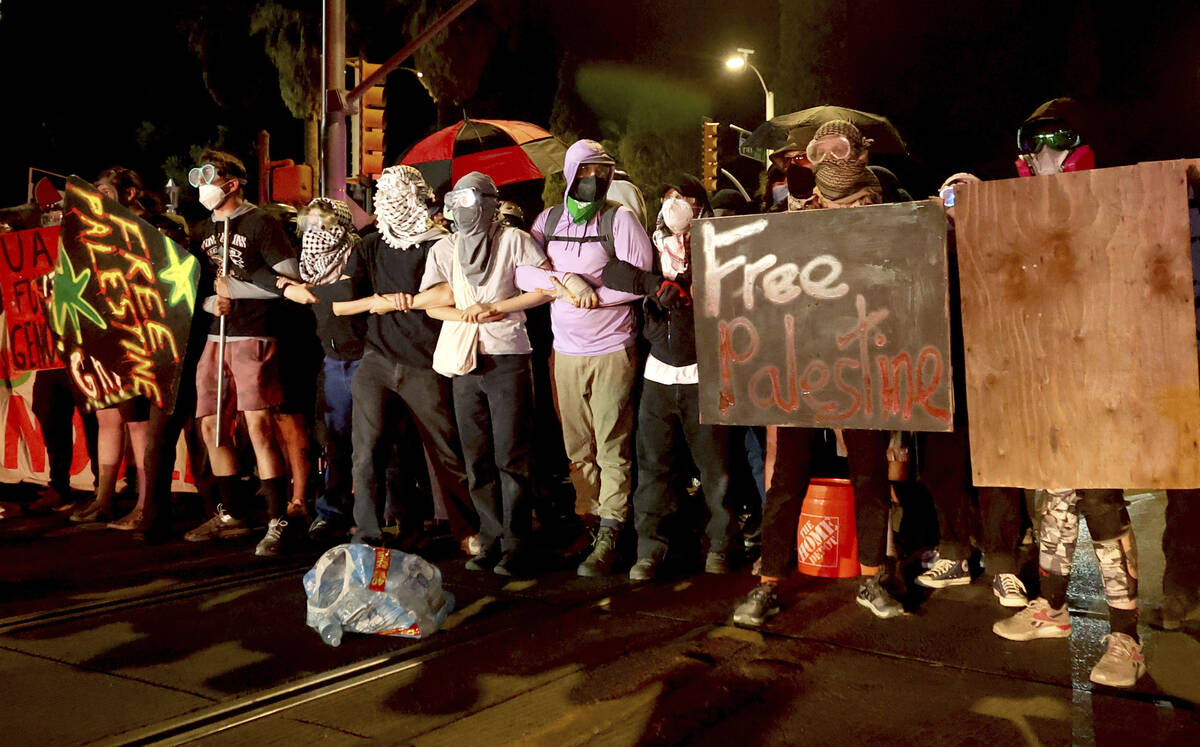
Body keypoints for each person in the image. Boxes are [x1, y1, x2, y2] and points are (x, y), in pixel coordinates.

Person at [992, 99, 1145, 688]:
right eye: (1037, 142)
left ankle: (1126, 638)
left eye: (1058, 140)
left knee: (1103, 503)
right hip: (1050, 375)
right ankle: (1053, 609)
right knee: (1054, 495)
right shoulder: (1025, 211)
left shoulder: (1117, 198)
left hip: (1104, 375)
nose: (1047, 153)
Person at [732, 120, 905, 627]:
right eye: (820, 150)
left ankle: (873, 575)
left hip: (863, 364)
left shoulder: (885, 213)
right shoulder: (792, 216)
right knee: (786, 477)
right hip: (801, 363)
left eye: (841, 148)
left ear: (860, 153)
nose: (831, 158)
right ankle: (769, 582)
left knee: (869, 474)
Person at [515, 139, 654, 577]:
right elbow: (522, 270)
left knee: (611, 442)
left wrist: (596, 295)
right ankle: (589, 521)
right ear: (572, 174)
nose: (595, 179)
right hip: (566, 351)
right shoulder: (550, 220)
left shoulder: (621, 219)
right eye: (588, 171)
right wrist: (564, 282)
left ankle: (613, 529)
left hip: (612, 347)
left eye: (603, 171)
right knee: (578, 447)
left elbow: (641, 279)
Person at [323, 165, 477, 550]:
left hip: (425, 362)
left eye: (400, 193)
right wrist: (376, 303)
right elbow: (342, 308)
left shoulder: (439, 243)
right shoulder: (370, 246)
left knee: (445, 450)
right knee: (368, 450)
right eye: (386, 193)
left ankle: (469, 530)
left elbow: (453, 293)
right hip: (377, 362)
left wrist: (402, 303)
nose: (393, 201)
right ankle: (368, 532)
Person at [414, 171, 550, 574]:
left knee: (512, 452)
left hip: (507, 356)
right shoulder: (445, 248)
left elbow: (545, 287)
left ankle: (517, 542)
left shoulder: (514, 240)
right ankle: (489, 537)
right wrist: (462, 314)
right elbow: (430, 302)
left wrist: (497, 308)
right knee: (476, 456)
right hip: (464, 359)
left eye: (472, 201)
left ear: (490, 203)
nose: (462, 209)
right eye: (457, 201)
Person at [601, 185, 736, 579]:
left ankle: (721, 546)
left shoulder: (715, 244)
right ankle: (650, 549)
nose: (676, 204)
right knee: (655, 467)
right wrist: (653, 285)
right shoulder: (651, 244)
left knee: (716, 470)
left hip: (704, 375)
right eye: (669, 196)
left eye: (686, 198)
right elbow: (612, 269)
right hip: (658, 376)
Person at [913, 173, 1028, 608]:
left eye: (966, 193)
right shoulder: (928, 249)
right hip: (939, 374)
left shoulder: (1001, 245)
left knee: (997, 469)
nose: (955, 201)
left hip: (996, 373)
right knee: (943, 468)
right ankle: (954, 552)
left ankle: (1004, 563)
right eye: (948, 192)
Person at [182, 151, 294, 557]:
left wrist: (240, 289)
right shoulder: (201, 230)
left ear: (232, 183)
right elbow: (194, 289)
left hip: (253, 334)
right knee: (211, 425)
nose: (203, 185)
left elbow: (292, 276)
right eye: (198, 176)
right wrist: (212, 304)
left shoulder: (261, 222)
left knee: (259, 427)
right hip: (217, 336)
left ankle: (276, 518)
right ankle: (230, 512)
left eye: (210, 176)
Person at [277, 198, 366, 543]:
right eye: (309, 226)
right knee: (334, 440)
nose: (316, 235)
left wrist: (301, 290)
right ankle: (332, 512)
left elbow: (344, 292)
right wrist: (286, 286)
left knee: (370, 441)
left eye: (324, 225)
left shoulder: (357, 254)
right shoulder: (308, 263)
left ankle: (374, 513)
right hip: (331, 360)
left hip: (364, 355)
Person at [69, 167, 153, 527]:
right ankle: (103, 497)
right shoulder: (92, 229)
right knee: (107, 417)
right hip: (100, 336)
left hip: (135, 338)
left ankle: (145, 504)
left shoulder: (147, 229)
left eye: (105, 189)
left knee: (138, 423)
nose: (98, 195)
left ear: (130, 193)